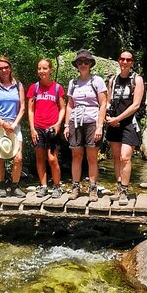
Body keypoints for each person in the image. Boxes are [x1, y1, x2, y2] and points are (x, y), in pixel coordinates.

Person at [64, 49, 107, 201]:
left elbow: (103, 104)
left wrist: (100, 126)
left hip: (92, 121)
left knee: (92, 156)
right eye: (80, 62)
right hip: (75, 121)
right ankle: (75, 186)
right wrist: (66, 125)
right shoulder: (73, 83)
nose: (83, 64)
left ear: (90, 64)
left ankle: (93, 188)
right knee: (76, 155)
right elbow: (69, 105)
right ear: (76, 65)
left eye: (86, 62)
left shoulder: (97, 81)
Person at [105, 50, 145, 206]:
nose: (125, 62)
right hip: (114, 123)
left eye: (128, 60)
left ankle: (124, 190)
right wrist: (108, 117)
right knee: (116, 157)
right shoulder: (113, 80)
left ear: (132, 62)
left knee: (125, 157)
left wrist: (117, 119)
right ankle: (118, 187)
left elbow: (136, 105)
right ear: (118, 61)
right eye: (122, 59)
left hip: (129, 123)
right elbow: (108, 101)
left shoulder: (137, 80)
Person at [0, 57, 26, 197]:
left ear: (10, 68)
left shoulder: (18, 85)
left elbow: (22, 108)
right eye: (0, 68)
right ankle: (1, 185)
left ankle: (15, 185)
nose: (3, 70)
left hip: (15, 124)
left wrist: (14, 124)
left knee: (18, 157)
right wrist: (2, 124)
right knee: (0, 156)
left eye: (6, 67)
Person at [27, 58, 66, 199]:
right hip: (38, 128)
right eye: (39, 68)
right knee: (39, 158)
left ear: (50, 70)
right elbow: (30, 110)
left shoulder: (57, 88)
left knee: (52, 159)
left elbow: (63, 108)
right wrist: (32, 129)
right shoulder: (34, 88)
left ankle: (57, 186)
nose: (42, 71)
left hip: (52, 129)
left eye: (44, 68)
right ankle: (43, 186)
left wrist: (58, 124)